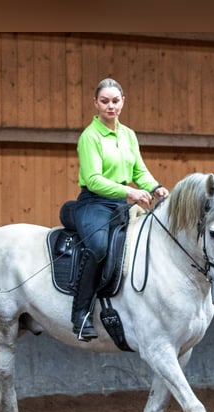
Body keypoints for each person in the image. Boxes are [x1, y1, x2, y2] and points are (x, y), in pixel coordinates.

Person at [71, 78, 170, 341]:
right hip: (94, 203)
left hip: (121, 204)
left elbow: (139, 170)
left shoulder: (128, 134)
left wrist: (156, 186)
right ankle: (80, 315)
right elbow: (93, 179)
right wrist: (131, 192)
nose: (110, 106)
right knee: (99, 247)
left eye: (115, 101)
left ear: (123, 102)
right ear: (96, 103)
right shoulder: (89, 137)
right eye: (104, 101)